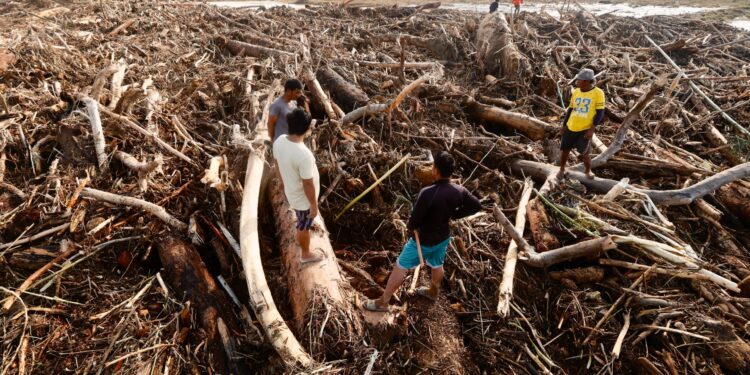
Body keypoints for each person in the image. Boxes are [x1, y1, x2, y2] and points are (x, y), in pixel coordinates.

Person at [363, 151, 482, 312]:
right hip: (443, 237)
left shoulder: (427, 193)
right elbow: (476, 206)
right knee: (436, 263)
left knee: (400, 265)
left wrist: (411, 227)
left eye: (433, 166)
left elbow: (414, 221)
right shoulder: (459, 191)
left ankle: (383, 302)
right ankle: (433, 291)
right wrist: (454, 214)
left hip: (424, 240)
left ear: (436, 170)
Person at [273, 108, 323, 264]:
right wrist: (313, 206)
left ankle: (304, 231)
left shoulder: (280, 140)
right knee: (303, 226)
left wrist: (282, 182)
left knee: (304, 221)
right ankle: (306, 254)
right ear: (307, 129)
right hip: (303, 200)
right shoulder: (303, 154)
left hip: (292, 190)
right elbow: (308, 184)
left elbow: (276, 163)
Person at [557, 68, 605, 180]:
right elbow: (570, 109)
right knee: (565, 150)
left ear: (587, 81)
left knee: (584, 153)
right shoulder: (576, 92)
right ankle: (562, 169)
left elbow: (600, 113)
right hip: (571, 126)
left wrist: (592, 129)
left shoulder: (598, 93)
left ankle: (588, 171)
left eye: (579, 80)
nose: (577, 82)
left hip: (584, 129)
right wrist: (564, 125)